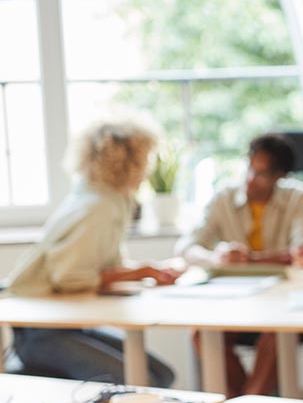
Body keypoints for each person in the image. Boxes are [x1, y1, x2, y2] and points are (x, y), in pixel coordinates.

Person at [5, 119, 180, 386]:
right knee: (143, 381)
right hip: (41, 332)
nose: (149, 166)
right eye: (146, 157)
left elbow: (105, 266)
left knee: (163, 376)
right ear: (128, 161)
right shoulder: (97, 206)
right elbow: (70, 277)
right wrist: (142, 271)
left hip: (67, 324)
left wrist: (147, 270)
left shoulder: (109, 198)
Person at [177, 133, 303, 396]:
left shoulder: (299, 198)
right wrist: (216, 257)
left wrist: (251, 259)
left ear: (280, 176)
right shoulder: (223, 198)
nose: (252, 178)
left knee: (278, 335)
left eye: (262, 173)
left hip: (282, 309)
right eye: (251, 168)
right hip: (235, 305)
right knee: (200, 333)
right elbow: (187, 247)